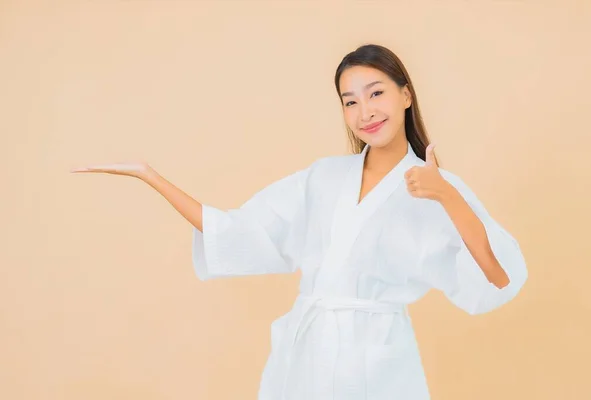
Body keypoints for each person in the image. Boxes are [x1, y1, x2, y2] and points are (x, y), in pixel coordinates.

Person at [71, 44, 528, 399]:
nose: (365, 112)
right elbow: (237, 231)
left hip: (378, 363)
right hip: (307, 357)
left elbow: (497, 274)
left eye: (376, 94)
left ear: (405, 94)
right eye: (350, 102)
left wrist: (447, 195)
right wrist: (150, 176)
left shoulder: (436, 186)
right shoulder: (324, 178)